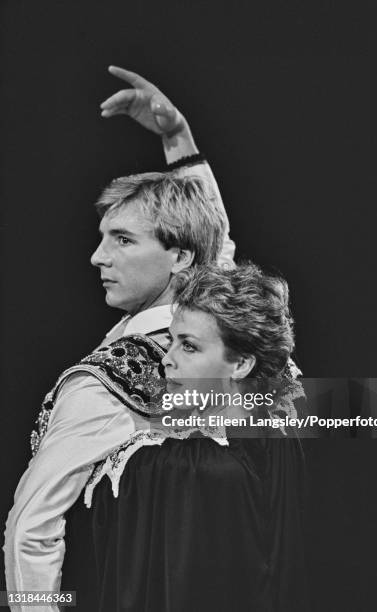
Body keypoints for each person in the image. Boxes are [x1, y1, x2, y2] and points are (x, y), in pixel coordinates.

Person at [3, 68, 235, 612]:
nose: (97, 258)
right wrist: (178, 138)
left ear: (179, 257)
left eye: (122, 240)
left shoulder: (103, 384)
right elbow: (215, 243)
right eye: (103, 238)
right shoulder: (228, 326)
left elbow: (30, 531)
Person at [81, 263, 307, 612]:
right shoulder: (276, 429)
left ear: (241, 364)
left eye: (189, 347)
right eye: (171, 341)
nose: (165, 361)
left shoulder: (185, 468)